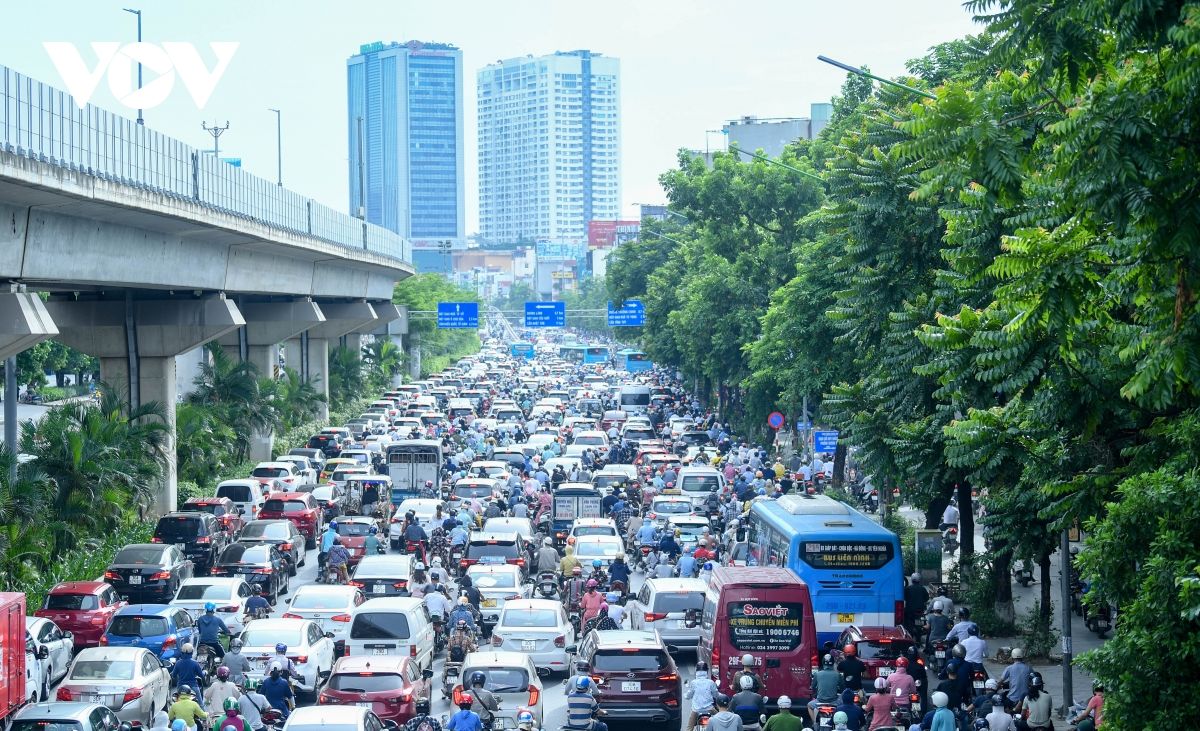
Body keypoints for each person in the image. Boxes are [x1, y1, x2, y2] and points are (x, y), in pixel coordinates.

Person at [808, 655, 843, 725]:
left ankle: (814, 722)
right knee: (843, 706)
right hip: (834, 701)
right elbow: (842, 688)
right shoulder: (837, 675)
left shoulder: (817, 674)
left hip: (820, 701)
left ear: (823, 662)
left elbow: (812, 687)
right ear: (833, 663)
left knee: (809, 705)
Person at [684, 664, 720, 731]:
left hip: (696, 710)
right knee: (721, 722)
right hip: (710, 709)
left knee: (689, 728)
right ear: (706, 671)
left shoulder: (693, 683)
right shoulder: (710, 682)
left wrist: (685, 696)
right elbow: (716, 694)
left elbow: (689, 695)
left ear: (696, 671)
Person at [904, 574, 930, 639]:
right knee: (920, 625)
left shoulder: (908, 589)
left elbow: (905, 598)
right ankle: (918, 638)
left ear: (912, 580)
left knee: (907, 624)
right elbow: (927, 598)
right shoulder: (923, 588)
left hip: (909, 611)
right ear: (919, 580)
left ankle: (909, 637)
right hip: (919, 611)